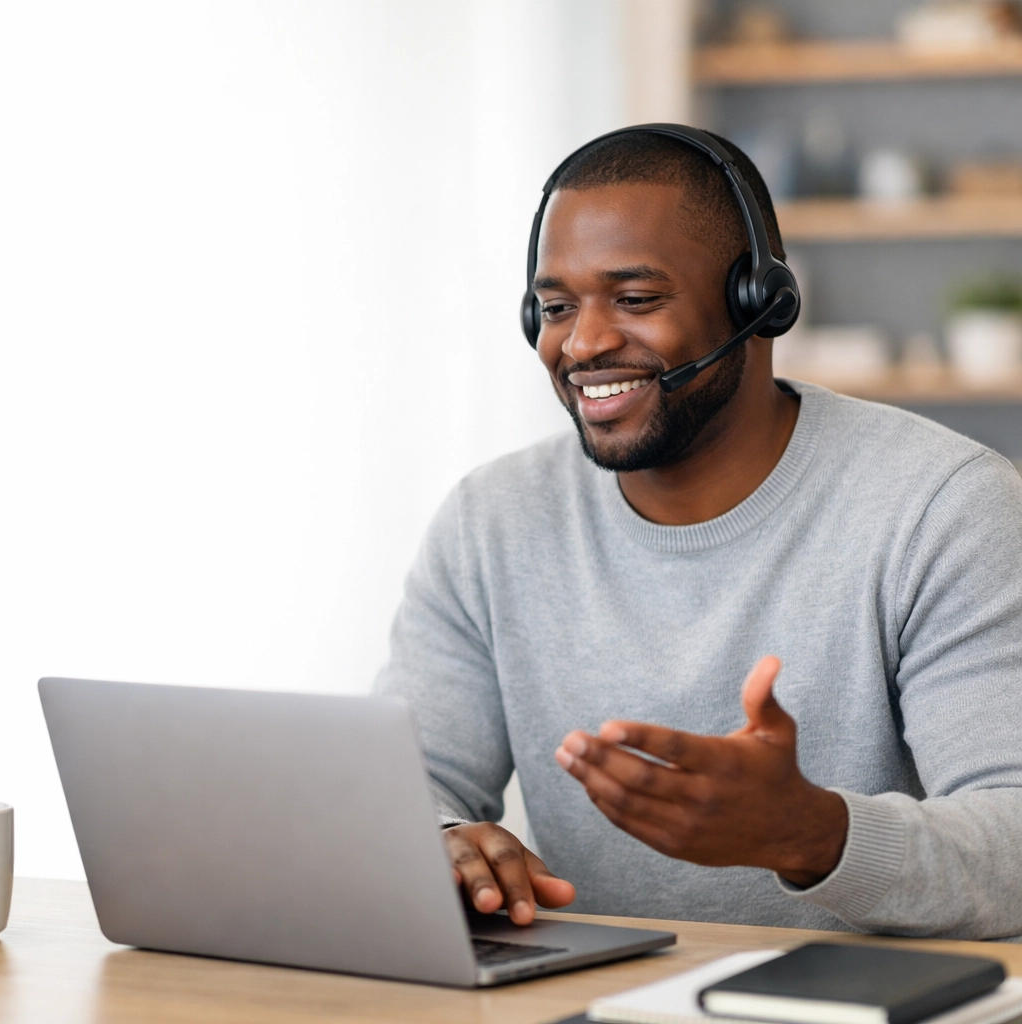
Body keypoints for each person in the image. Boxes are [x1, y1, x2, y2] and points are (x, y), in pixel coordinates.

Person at [373, 127, 1022, 939]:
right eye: (556, 306)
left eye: (636, 299)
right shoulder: (490, 520)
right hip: (589, 998)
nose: (581, 344)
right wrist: (441, 845)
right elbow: (404, 787)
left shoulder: (943, 507)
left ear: (761, 303)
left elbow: (1015, 843)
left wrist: (813, 834)